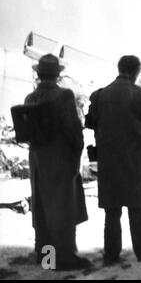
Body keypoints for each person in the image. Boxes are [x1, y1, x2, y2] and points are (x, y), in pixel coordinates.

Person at [85, 55, 141, 265]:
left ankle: (111, 255)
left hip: (110, 162)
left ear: (119, 69)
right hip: (137, 162)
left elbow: (89, 123)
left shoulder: (99, 95)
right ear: (136, 72)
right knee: (137, 211)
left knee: (112, 212)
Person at [25, 54, 90, 270]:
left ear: (39, 74)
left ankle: (46, 258)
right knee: (63, 208)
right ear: (57, 74)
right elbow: (73, 129)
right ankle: (64, 257)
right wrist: (78, 151)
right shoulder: (64, 96)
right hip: (61, 160)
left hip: (38, 161)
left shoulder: (30, 98)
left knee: (43, 209)